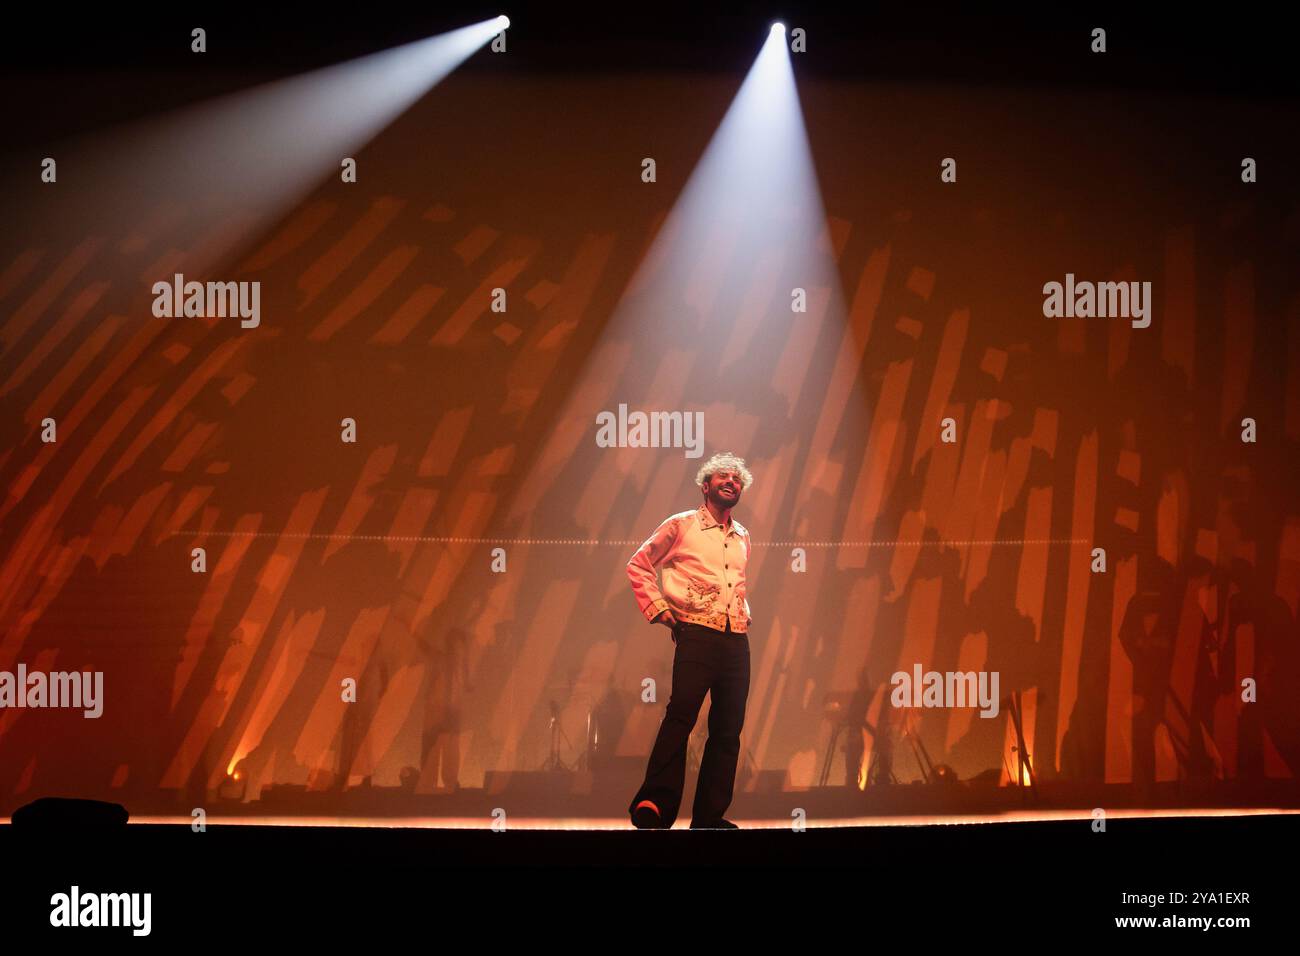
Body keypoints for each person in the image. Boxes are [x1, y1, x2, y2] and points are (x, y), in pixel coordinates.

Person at [625, 451, 754, 829]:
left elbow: (735, 584)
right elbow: (639, 563)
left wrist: (743, 614)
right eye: (723, 476)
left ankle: (709, 817)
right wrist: (660, 610)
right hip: (696, 632)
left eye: (737, 478)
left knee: (728, 729)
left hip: (736, 639)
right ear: (706, 486)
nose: (731, 481)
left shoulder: (743, 535)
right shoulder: (681, 525)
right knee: (681, 716)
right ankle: (654, 804)